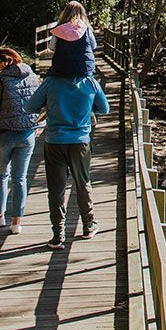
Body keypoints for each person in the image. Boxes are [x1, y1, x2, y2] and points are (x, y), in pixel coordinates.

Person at [25, 62, 109, 250]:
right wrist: (88, 110)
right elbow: (105, 109)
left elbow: (29, 107)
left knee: (56, 188)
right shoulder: (90, 81)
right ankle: (88, 225)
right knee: (82, 182)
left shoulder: (51, 82)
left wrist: (49, 104)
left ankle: (57, 234)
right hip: (80, 141)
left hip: (55, 141)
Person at [0, 48, 42, 234]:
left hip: (3, 134)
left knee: (0, 176)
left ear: (5, 62)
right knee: (20, 178)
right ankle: (16, 223)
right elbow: (39, 103)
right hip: (26, 134)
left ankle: (0, 216)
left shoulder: (2, 80)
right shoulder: (31, 75)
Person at [48, 1, 96, 77]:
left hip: (61, 68)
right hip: (85, 68)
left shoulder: (59, 29)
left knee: (48, 76)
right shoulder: (86, 28)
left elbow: (51, 47)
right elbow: (93, 46)